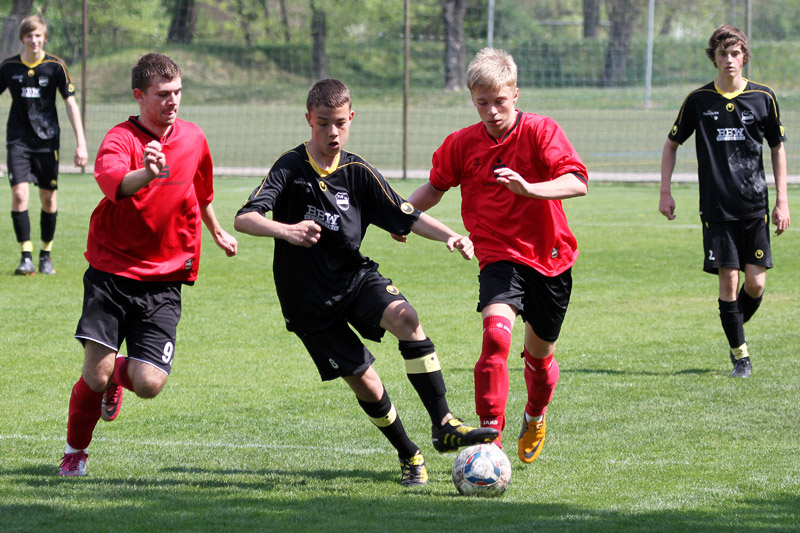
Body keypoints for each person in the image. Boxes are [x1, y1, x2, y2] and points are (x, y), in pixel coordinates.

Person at [234, 78, 498, 487]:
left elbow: (406, 213)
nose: (332, 132)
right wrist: (286, 231)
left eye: (340, 123)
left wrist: (451, 236)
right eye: (323, 123)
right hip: (308, 301)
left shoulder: (357, 171)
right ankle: (409, 453)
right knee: (366, 381)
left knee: (406, 318)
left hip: (355, 278)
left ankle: (444, 423)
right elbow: (244, 218)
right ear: (309, 119)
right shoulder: (290, 166)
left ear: (351, 118)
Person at [401, 48, 588, 464]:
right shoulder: (461, 144)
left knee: (539, 360)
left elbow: (577, 182)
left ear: (515, 94)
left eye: (499, 101)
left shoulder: (540, 131)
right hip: (498, 256)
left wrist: (529, 188)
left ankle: (535, 414)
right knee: (496, 337)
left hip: (551, 258)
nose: (490, 111)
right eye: (481, 102)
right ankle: (490, 441)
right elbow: (434, 188)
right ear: (472, 99)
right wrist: (403, 215)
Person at [58, 53, 238, 477]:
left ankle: (117, 377)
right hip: (111, 271)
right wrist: (147, 173)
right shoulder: (120, 139)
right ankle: (75, 452)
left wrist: (216, 230)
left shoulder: (194, 137)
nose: (172, 101)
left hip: (165, 276)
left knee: (149, 383)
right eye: (162, 94)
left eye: (177, 92)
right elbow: (115, 184)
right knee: (95, 374)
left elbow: (201, 190)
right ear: (139, 96)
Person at [659, 25, 790, 379]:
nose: (729, 60)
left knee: (755, 284)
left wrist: (783, 201)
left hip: (754, 206)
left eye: (735, 53)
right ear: (713, 58)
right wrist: (665, 191)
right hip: (716, 209)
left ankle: (731, 322)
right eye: (722, 54)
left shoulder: (763, 97)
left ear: (744, 57)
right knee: (729, 280)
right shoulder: (699, 100)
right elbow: (671, 145)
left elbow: (777, 148)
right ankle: (740, 356)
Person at [0, 15, 88, 275]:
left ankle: (45, 255)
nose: (34, 40)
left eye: (38, 35)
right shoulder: (9, 67)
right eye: (29, 35)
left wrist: (81, 143)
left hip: (48, 142)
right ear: (22, 38)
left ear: (45, 38)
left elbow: (70, 104)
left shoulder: (55, 66)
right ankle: (25, 256)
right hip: (18, 140)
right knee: (19, 194)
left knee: (48, 199)